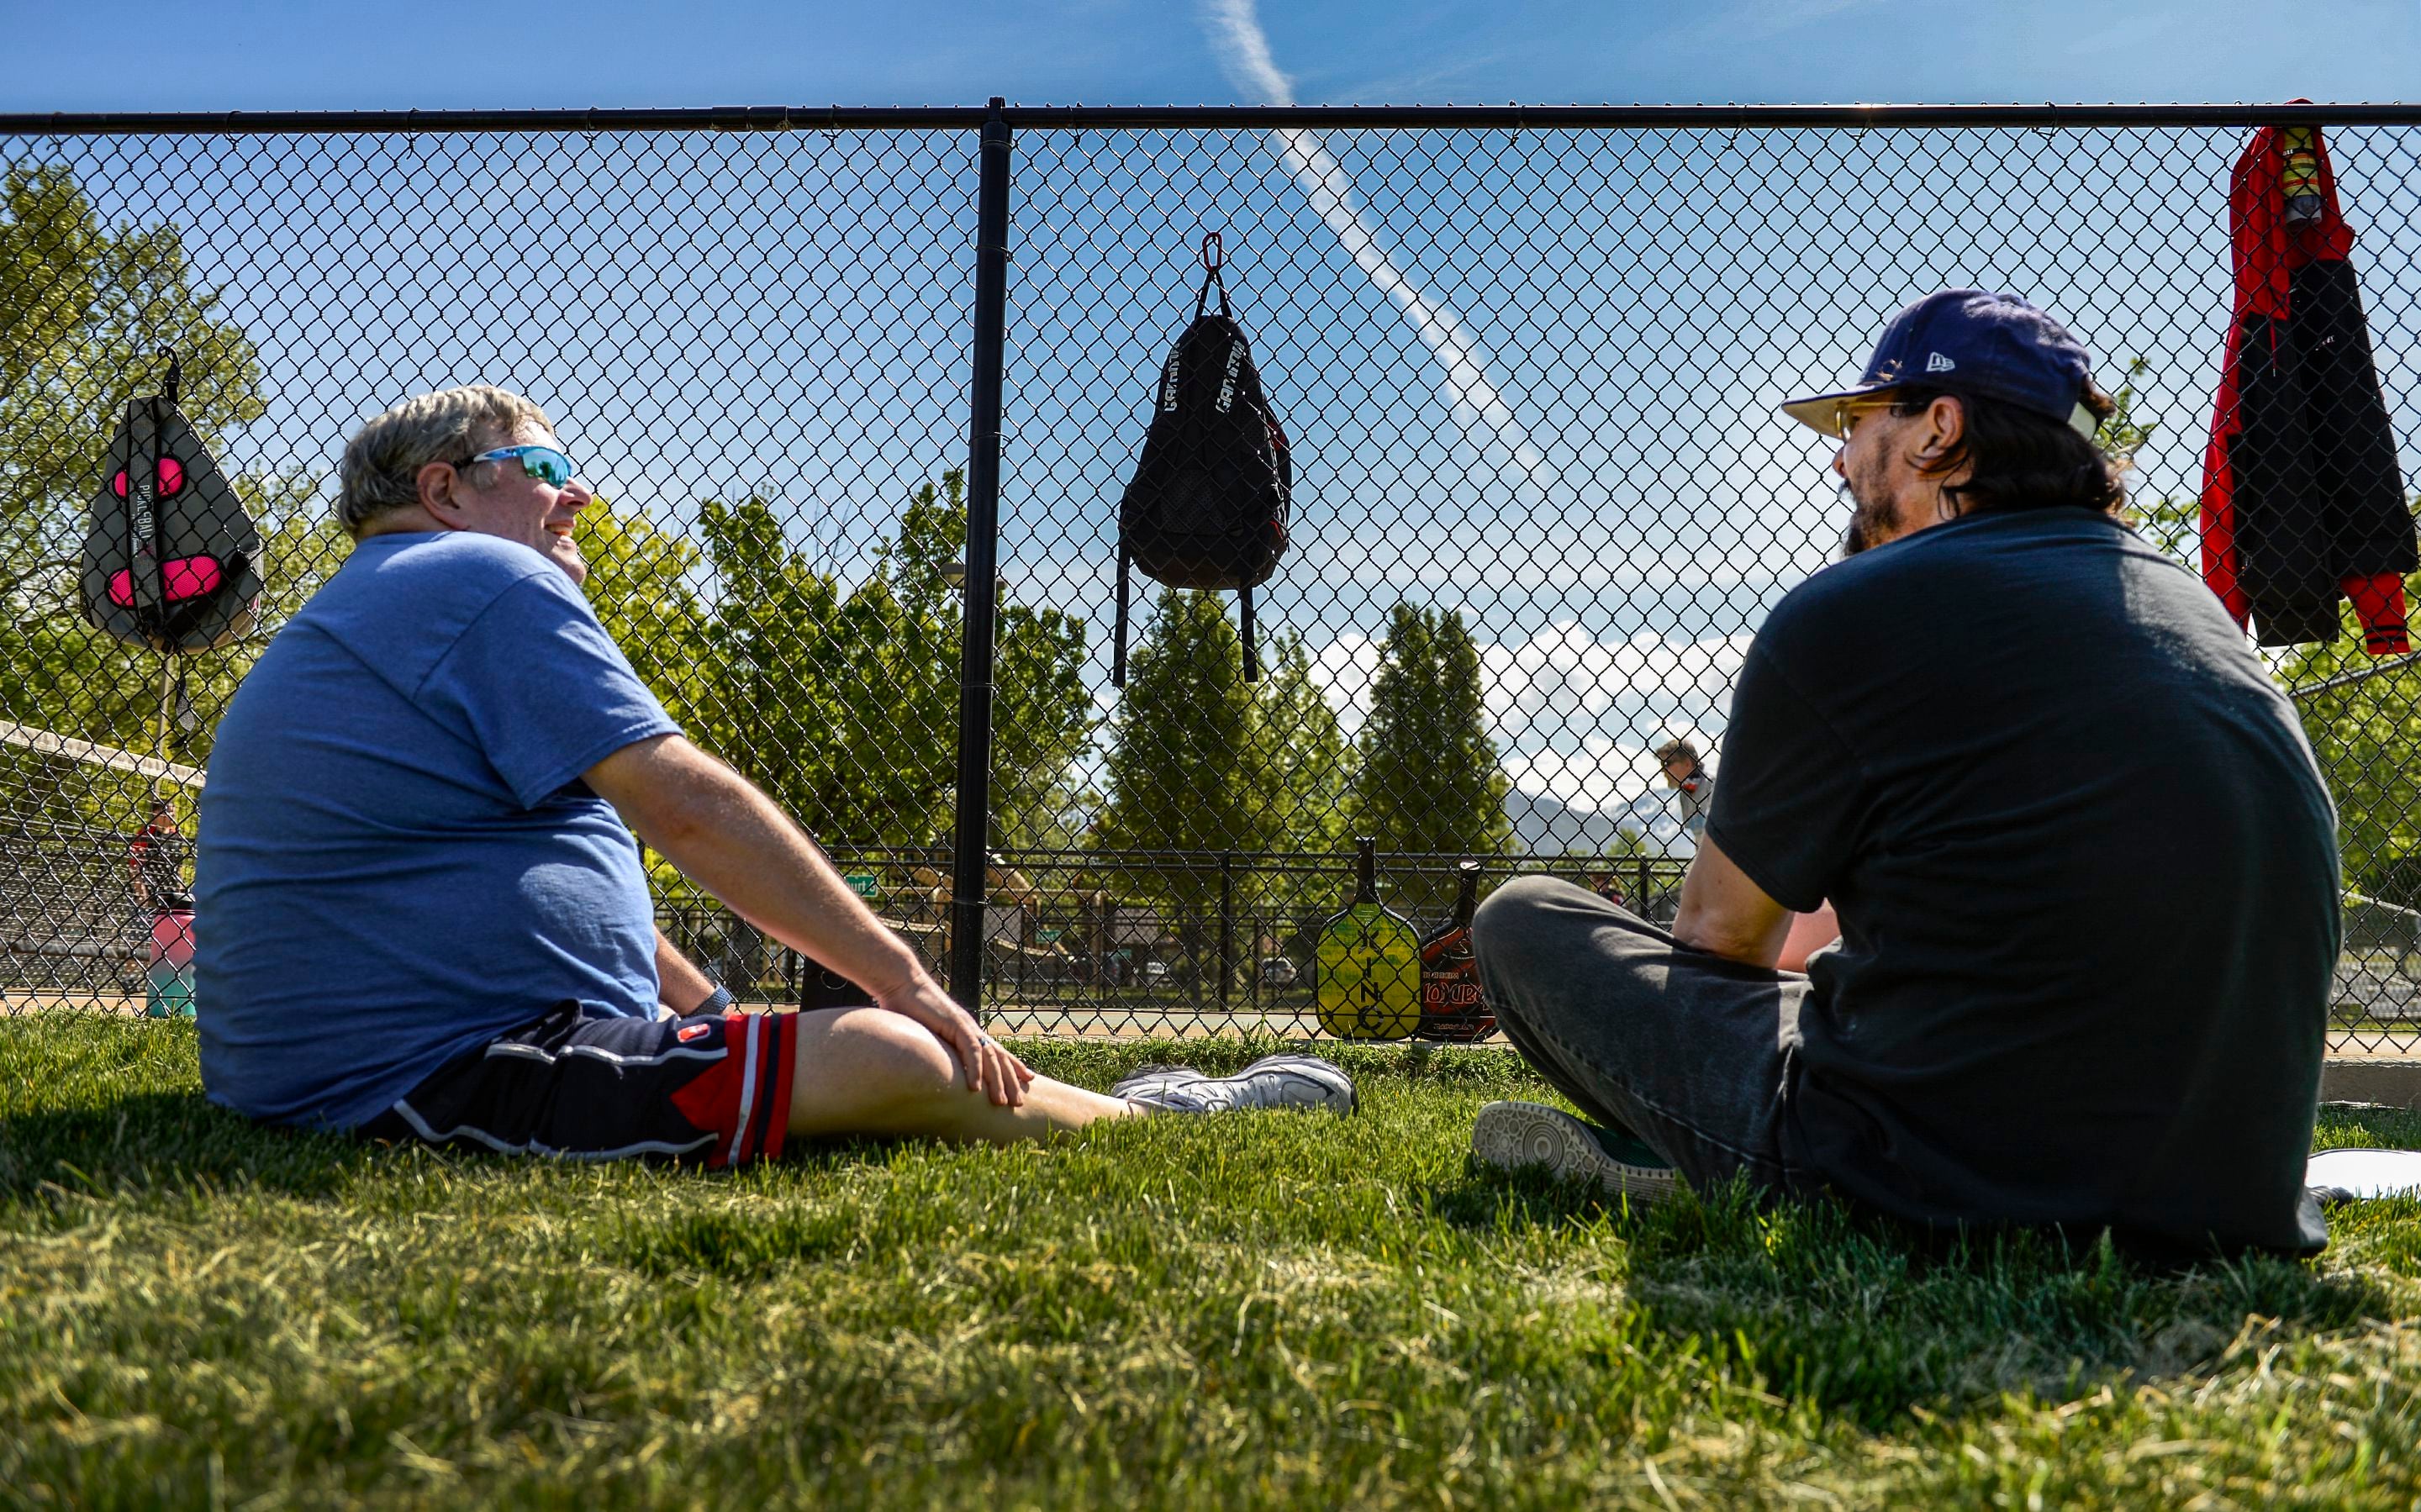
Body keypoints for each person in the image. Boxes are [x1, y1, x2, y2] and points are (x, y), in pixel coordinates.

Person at [195, 386, 1351, 1163]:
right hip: (428, 1079)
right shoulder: (471, 578)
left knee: (836, 1026)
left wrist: (704, 1005)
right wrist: (908, 980)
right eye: (542, 464)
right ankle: (1153, 1121)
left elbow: (517, 870)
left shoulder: (393, 603)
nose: (576, 491)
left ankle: (1102, 1093)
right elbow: (685, 804)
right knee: (892, 1044)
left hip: (368, 1060)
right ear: (447, 489)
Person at [1467, 290, 2338, 1262]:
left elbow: (1720, 943)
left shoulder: (1849, 612)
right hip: (2233, 1196)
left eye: (1856, 422)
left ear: (1940, 428)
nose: (1840, 458)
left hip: (1932, 1181)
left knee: (1522, 916)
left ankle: (1678, 1161)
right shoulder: (2197, 614)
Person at [1654, 737, 1713, 841]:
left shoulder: (1711, 786)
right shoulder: (1686, 792)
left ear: (1687, 763)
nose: (1663, 771)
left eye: (1667, 764)